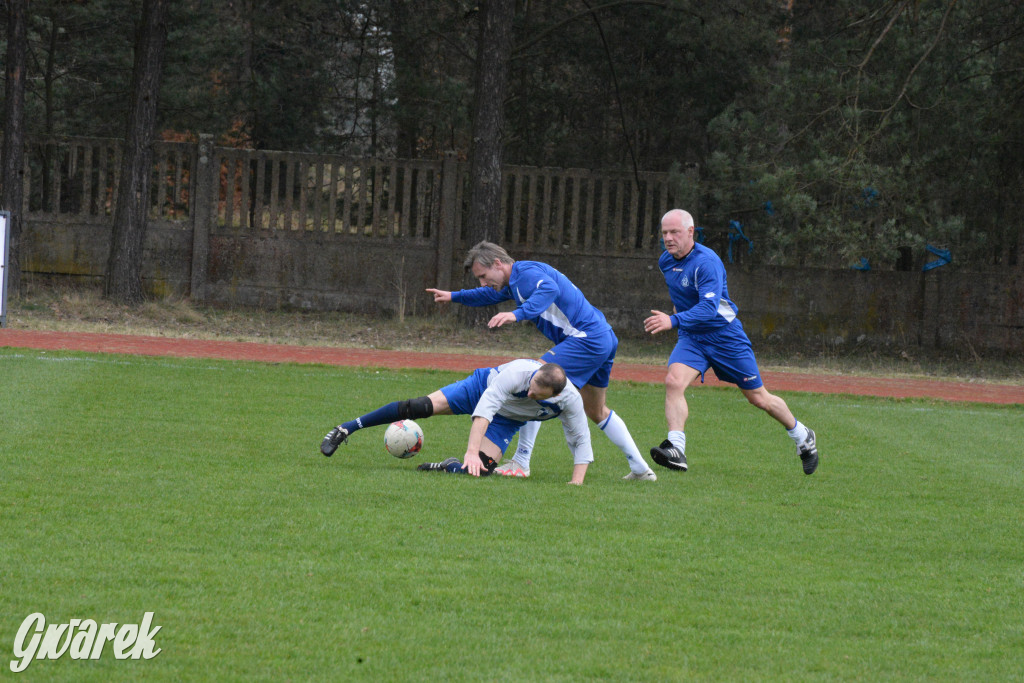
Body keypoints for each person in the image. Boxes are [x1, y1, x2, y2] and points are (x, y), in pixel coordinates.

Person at [426, 241, 657, 482]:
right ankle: (641, 469)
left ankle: (522, 461)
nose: (483, 282)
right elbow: (487, 294)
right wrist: (454, 296)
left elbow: (549, 290)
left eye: (483, 276)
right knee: (596, 410)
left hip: (586, 339)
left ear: (497, 263)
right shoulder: (516, 280)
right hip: (603, 337)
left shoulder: (525, 275)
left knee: (533, 379)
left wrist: (516, 314)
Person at [642, 209, 820, 475]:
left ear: (691, 232)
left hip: (725, 337)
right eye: (665, 232)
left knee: (759, 398)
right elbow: (681, 293)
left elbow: (709, 309)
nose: (668, 238)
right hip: (693, 337)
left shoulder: (707, 262)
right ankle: (676, 449)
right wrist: (679, 318)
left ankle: (802, 435)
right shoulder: (665, 261)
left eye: (675, 232)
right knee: (673, 381)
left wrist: (673, 321)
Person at [319, 359, 595, 484]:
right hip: (479, 389)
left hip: (507, 420)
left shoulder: (569, 400)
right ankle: (345, 428)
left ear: (555, 395)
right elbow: (483, 413)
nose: (530, 391)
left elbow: (580, 438)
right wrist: (471, 452)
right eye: (531, 385)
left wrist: (575, 485)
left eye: (537, 393)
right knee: (418, 407)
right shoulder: (517, 374)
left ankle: (448, 466)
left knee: (481, 472)